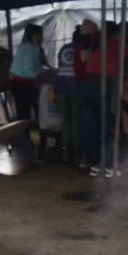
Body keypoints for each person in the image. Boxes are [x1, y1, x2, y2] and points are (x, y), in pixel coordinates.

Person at [79, 20, 128, 177]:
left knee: (91, 126)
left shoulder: (94, 44)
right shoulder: (115, 44)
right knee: (108, 125)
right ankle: (109, 165)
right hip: (102, 84)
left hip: (87, 84)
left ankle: (95, 164)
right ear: (114, 33)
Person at [55, 21, 95, 165]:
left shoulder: (63, 48)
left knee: (66, 122)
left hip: (61, 87)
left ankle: (67, 153)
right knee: (77, 122)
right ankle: (78, 153)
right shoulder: (83, 49)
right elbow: (84, 69)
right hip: (76, 88)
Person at [9, 23, 46, 121]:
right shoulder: (30, 48)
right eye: (41, 36)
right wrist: (41, 76)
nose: (42, 38)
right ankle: (24, 134)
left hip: (18, 83)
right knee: (24, 115)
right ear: (35, 36)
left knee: (23, 113)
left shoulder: (27, 46)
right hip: (22, 85)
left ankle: (24, 133)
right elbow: (28, 72)